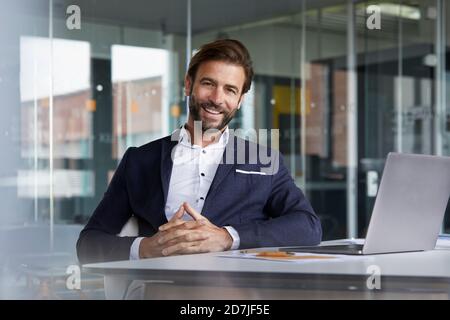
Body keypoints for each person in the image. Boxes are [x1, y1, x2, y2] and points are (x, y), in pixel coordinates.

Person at [77, 39, 322, 264]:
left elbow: (308, 227)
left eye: (230, 90)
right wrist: (146, 248)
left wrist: (227, 238)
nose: (217, 98)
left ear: (240, 100)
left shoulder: (262, 159)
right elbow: (88, 244)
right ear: (188, 85)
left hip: (236, 293)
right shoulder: (140, 161)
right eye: (208, 84)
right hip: (160, 287)